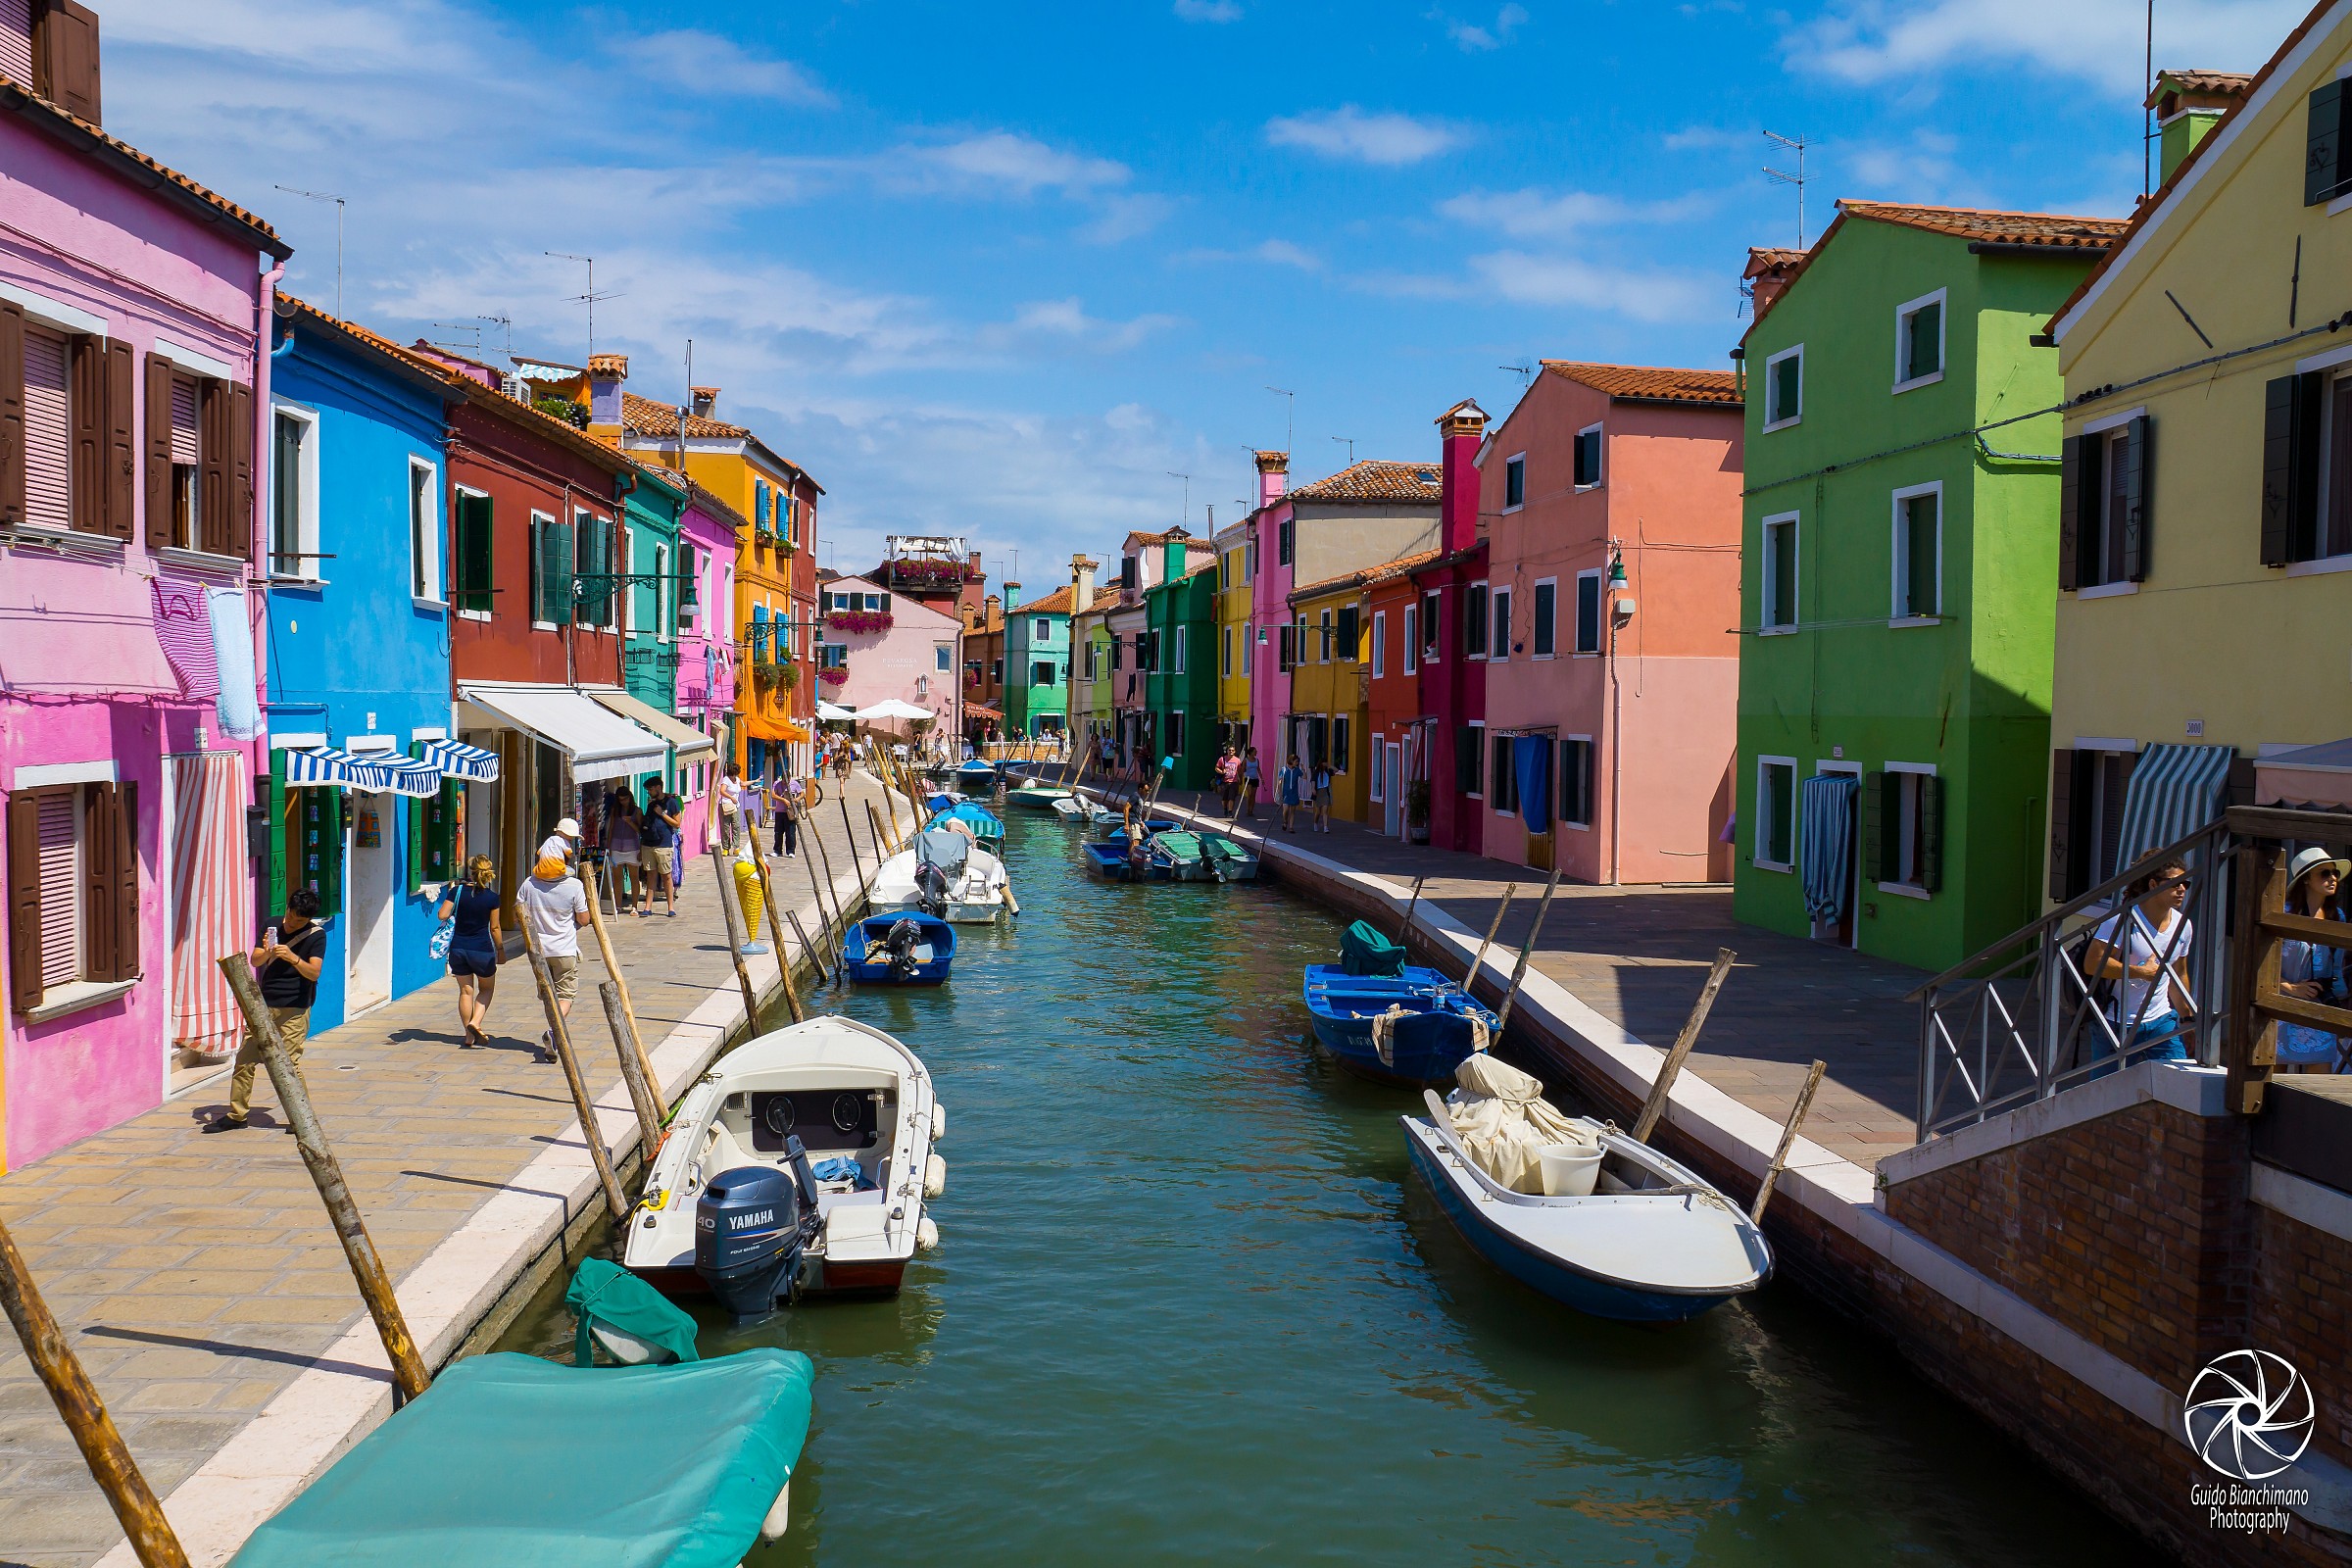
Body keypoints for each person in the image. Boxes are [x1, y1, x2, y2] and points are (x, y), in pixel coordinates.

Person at [204, 887, 327, 1132]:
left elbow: (314, 973)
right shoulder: (272, 925)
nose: (292, 923)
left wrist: (292, 957)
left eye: (299, 920)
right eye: (291, 916)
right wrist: (269, 951)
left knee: (290, 1064)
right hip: (264, 1004)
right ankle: (237, 1115)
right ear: (288, 908)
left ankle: (301, 1117)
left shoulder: (316, 935)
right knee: (244, 1061)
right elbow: (255, 961)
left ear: (309, 919)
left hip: (295, 1007)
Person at [2082, 858, 2195, 1074]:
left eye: (2185, 883)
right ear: (2153, 884)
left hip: (2161, 1020)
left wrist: (2187, 1018)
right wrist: (2140, 972)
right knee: (2107, 1093)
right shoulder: (2122, 920)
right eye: (2175, 883)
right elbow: (2093, 963)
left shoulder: (2183, 925)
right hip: (2115, 1024)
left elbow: (2179, 974)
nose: (2182, 889)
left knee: (2178, 1084)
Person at [2277, 847, 2349, 1073]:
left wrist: (2339, 1007)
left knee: (2320, 1082)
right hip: (2280, 1005)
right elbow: (2260, 964)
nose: (2333, 878)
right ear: (2306, 879)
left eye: (2334, 873)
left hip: (2319, 1005)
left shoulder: (2337, 916)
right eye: (2324, 873)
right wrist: (2289, 987)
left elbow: (2335, 966)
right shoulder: (2282, 913)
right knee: (2271, 1081)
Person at [518, 849, 592, 1063]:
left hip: (538, 951)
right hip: (564, 950)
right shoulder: (574, 886)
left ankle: (554, 1033)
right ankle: (554, 1032)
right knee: (566, 995)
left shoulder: (528, 884)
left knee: (548, 996)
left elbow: (519, 913)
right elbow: (584, 919)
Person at [438, 857, 504, 1047]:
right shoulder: (492, 897)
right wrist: (500, 950)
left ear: (470, 871)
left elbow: (442, 914)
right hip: (482, 950)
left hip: (458, 948)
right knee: (486, 989)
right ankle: (476, 1022)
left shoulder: (456, 891)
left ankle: (468, 1036)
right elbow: (495, 928)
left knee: (466, 991)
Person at [639, 774, 680, 916]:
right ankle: (647, 907)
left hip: (664, 844)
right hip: (649, 843)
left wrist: (662, 814)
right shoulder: (651, 804)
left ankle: (671, 907)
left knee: (666, 876)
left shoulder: (672, 802)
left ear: (658, 788)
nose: (649, 792)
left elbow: (677, 823)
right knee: (650, 875)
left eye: (650, 789)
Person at [605, 785, 643, 914]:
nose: (623, 802)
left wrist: (630, 822)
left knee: (634, 877)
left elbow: (640, 830)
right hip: (616, 847)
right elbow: (611, 829)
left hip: (633, 847)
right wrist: (608, 846)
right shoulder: (615, 810)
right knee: (617, 878)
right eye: (621, 800)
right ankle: (618, 905)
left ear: (630, 798)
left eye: (625, 799)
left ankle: (634, 906)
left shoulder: (637, 811)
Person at [774, 771, 803, 858]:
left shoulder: (795, 784)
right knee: (778, 832)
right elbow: (773, 795)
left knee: (790, 832)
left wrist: (797, 799)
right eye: (783, 780)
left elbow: (802, 793)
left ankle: (790, 851)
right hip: (780, 811)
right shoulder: (777, 784)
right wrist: (783, 800)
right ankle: (777, 850)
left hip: (790, 812)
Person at [716, 763, 744, 849]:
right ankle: (726, 847)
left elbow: (743, 784)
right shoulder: (726, 780)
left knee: (736, 826)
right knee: (725, 827)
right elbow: (722, 791)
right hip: (725, 805)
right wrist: (731, 797)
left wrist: (755, 781)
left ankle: (736, 846)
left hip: (735, 806)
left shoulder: (737, 779)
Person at [1279, 753, 1304, 833]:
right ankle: (1285, 821)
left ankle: (1291, 827)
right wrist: (1279, 791)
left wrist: (1303, 769)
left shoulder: (1297, 770)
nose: (1297, 763)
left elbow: (1305, 777)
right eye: (1296, 761)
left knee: (1292, 811)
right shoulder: (1284, 769)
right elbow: (1280, 780)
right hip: (1286, 793)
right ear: (1291, 761)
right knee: (1285, 810)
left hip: (1294, 793)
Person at [1215, 746, 1241, 816]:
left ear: (1234, 751)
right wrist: (1222, 772)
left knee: (1232, 797)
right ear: (1227, 751)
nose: (1231, 752)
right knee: (1224, 798)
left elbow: (1239, 770)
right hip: (1224, 782)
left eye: (1232, 750)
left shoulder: (1237, 760)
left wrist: (1240, 779)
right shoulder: (1222, 759)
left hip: (1233, 781)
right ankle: (1225, 809)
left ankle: (1230, 811)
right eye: (1229, 750)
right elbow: (1216, 768)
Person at [1311, 757, 1335, 833]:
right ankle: (1315, 823)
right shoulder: (1316, 772)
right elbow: (1313, 781)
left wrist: (1330, 766)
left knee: (1325, 810)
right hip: (1318, 792)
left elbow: (1336, 770)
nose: (1325, 764)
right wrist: (1313, 789)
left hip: (1325, 792)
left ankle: (1325, 827)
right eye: (1324, 762)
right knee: (1318, 811)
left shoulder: (1328, 771)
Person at [1241, 746, 1262, 820]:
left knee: (1253, 795)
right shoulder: (1246, 760)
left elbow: (1258, 769)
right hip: (1248, 778)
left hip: (1255, 778)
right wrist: (1241, 777)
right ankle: (1247, 809)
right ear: (1251, 752)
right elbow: (1243, 769)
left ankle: (1251, 810)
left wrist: (1262, 778)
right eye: (1255, 751)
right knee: (1249, 794)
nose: (1256, 752)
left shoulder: (1257, 760)